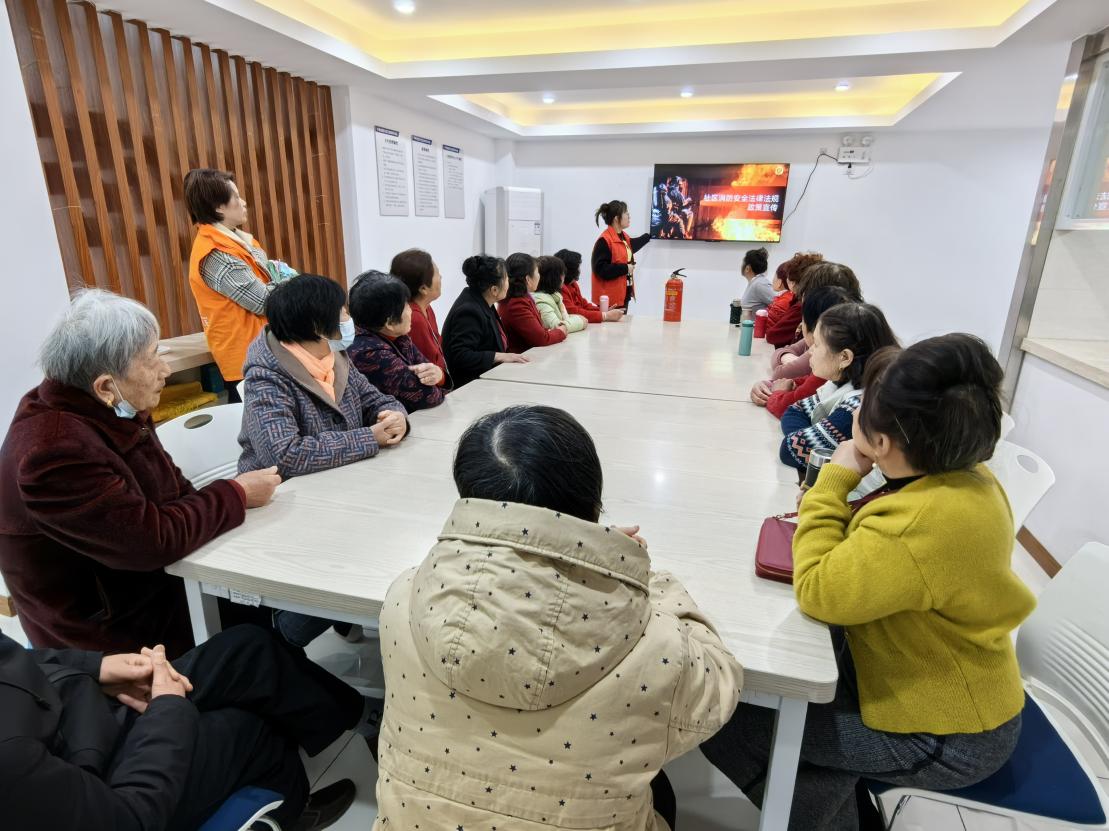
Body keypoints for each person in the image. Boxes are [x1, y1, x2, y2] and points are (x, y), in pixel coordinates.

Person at [703, 335, 1035, 831]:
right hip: (943, 691)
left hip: (944, 735)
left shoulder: (919, 523)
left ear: (882, 443)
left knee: (728, 717)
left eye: (865, 407)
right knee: (798, 731)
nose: (857, 412)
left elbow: (818, 589)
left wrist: (833, 481)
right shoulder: (968, 478)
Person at [372, 405, 743, 831]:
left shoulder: (404, 597)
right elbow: (719, 687)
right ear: (591, 502)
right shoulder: (657, 645)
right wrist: (633, 572)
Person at [0, 290, 279, 658]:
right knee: (256, 641)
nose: (165, 370)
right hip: (109, 634)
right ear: (105, 385)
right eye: (152, 359)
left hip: (149, 584)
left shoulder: (109, 408)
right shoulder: (54, 451)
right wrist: (237, 493)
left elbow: (176, 492)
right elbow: (150, 541)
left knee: (263, 606)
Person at [0, 624, 370, 831]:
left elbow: (14, 657)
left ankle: (365, 722)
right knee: (253, 730)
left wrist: (94, 667)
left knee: (248, 649)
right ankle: (291, 812)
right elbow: (128, 819)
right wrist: (169, 709)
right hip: (97, 779)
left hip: (76, 709)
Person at [239, 273, 410, 481]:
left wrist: (395, 417)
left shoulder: (333, 355)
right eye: (343, 312)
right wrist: (369, 438)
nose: (349, 319)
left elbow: (376, 400)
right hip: (283, 490)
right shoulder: (265, 378)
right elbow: (285, 456)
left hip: (344, 476)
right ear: (318, 327)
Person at [185, 169, 304, 400]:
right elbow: (264, 301)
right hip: (247, 357)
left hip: (263, 348)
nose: (244, 202)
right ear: (218, 207)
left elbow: (270, 278)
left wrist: (281, 279)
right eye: (237, 197)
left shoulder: (236, 240)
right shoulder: (216, 252)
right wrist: (290, 281)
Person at [779, 303, 898, 473]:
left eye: (817, 344)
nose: (810, 351)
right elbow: (794, 411)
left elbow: (789, 450)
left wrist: (804, 437)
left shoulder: (858, 406)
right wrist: (809, 436)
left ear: (845, 357)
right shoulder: (840, 382)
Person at [347, 270, 448, 414]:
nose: (411, 310)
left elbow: (431, 372)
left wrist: (440, 375)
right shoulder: (369, 354)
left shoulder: (397, 336)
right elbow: (429, 397)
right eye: (406, 305)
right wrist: (438, 381)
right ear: (390, 322)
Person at [751, 287, 859, 415]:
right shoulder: (832, 362)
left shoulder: (826, 372)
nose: (810, 351)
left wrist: (776, 392)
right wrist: (767, 385)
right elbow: (799, 381)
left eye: (816, 345)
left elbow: (787, 408)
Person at [441, 255, 529, 388]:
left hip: (488, 378)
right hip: (471, 386)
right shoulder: (469, 311)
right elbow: (461, 355)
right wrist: (500, 356)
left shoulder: (482, 299)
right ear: (494, 290)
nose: (509, 282)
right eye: (506, 278)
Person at [389, 248, 449, 385]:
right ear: (423, 289)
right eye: (437, 274)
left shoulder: (427, 308)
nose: (441, 277)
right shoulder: (413, 319)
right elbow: (425, 368)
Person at [498, 252, 568, 353]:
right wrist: (561, 332)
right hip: (523, 357)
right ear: (528, 279)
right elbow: (541, 339)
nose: (539, 276)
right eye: (537, 272)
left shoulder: (522, 297)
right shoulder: (516, 304)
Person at [591, 199, 650, 309]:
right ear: (616, 218)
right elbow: (601, 269)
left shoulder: (623, 237)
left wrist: (649, 236)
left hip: (623, 295)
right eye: (626, 213)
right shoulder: (604, 240)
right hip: (610, 300)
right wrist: (626, 268)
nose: (629, 216)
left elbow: (630, 247)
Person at [764, 251, 825, 348]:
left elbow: (773, 335)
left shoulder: (801, 306)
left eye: (789, 276)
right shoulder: (804, 300)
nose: (787, 280)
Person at [555, 248, 624, 323]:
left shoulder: (573, 284)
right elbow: (574, 312)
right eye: (578, 267)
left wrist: (603, 311)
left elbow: (583, 304)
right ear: (570, 270)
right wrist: (605, 315)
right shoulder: (561, 288)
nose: (579, 270)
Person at [535, 255, 588, 334]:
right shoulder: (541, 300)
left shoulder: (554, 296)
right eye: (562, 274)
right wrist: (580, 321)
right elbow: (557, 327)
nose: (564, 277)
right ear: (554, 277)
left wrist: (577, 318)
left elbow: (563, 319)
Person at [738, 247, 773, 315]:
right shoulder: (756, 282)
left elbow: (780, 303)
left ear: (747, 268)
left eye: (743, 263)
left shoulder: (759, 284)